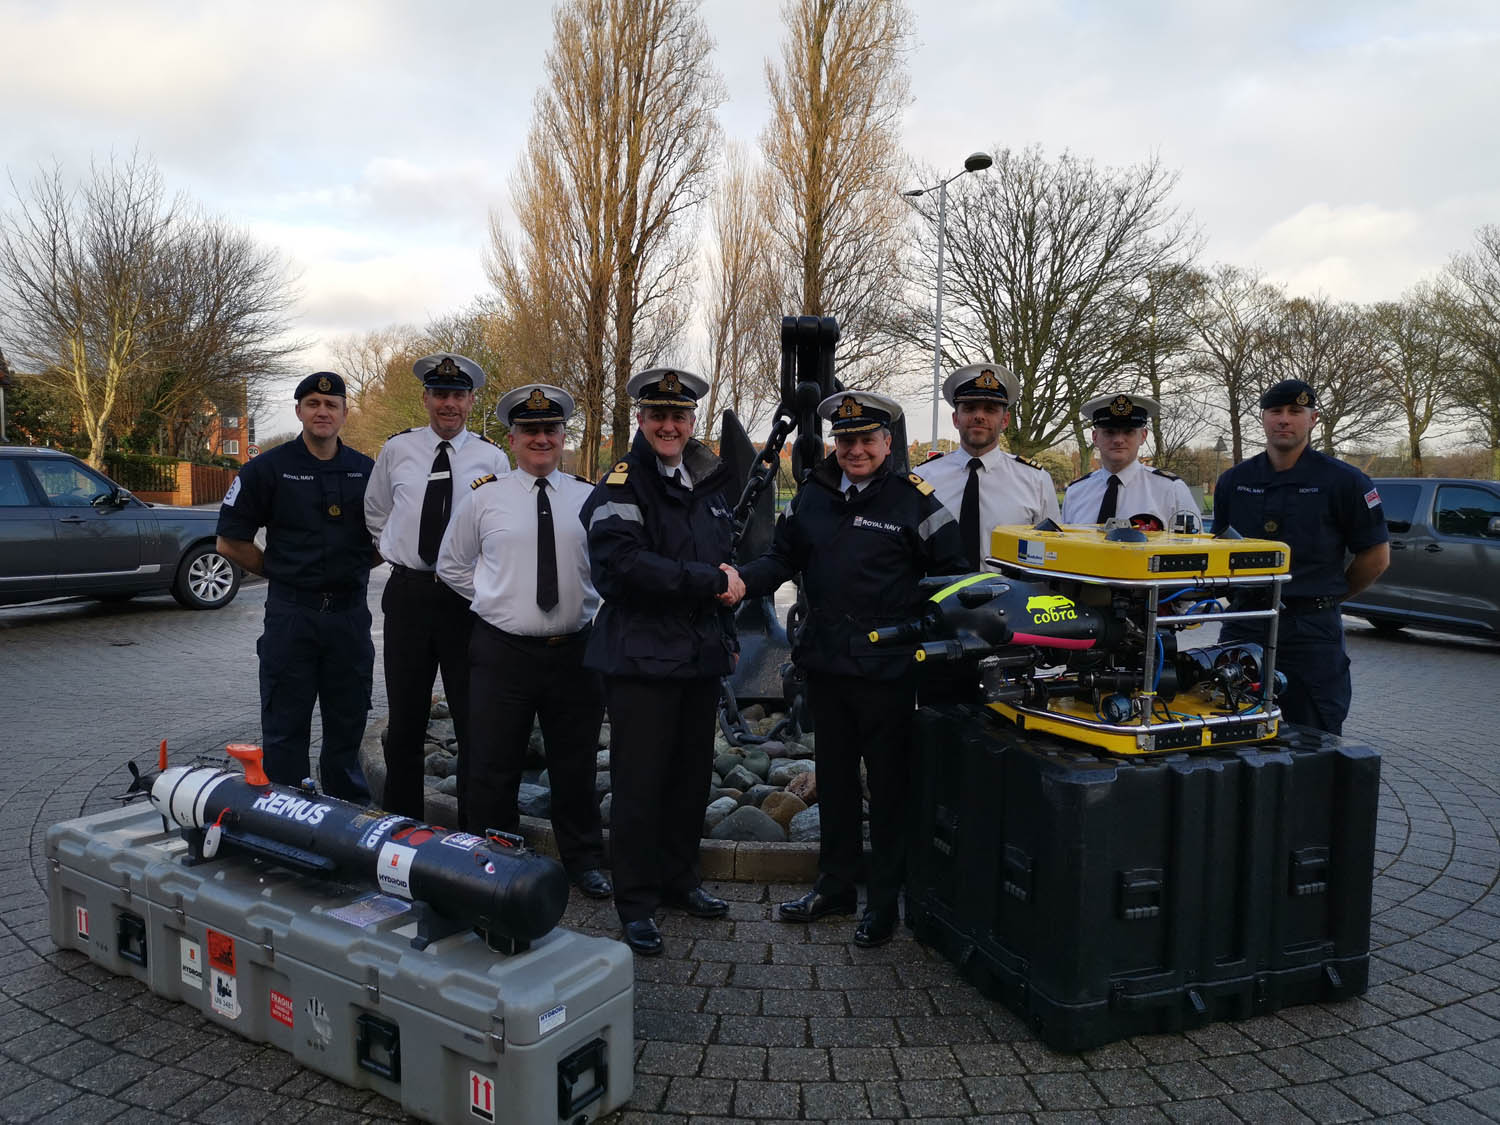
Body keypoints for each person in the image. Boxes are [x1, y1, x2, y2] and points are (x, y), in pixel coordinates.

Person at [727, 392, 968, 948]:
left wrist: (918, 627)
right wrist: (739, 581)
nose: (855, 450)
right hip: (827, 665)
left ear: (886, 442)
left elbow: (952, 576)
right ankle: (834, 887)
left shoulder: (914, 501)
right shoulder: (813, 494)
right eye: (845, 440)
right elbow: (781, 558)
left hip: (887, 672)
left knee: (887, 791)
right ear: (834, 443)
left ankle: (883, 904)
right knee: (834, 785)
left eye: (866, 440)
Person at [579, 367, 740, 956]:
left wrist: (726, 620)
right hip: (641, 658)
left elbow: (725, 562)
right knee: (640, 784)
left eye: (679, 416)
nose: (669, 426)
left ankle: (680, 880)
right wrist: (707, 581)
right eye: (658, 416)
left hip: (697, 657)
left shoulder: (706, 484)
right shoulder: (622, 484)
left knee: (690, 779)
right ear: (642, 421)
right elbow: (622, 566)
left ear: (692, 421)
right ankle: (637, 902)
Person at [437, 384, 612, 900]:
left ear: (563, 437)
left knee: (575, 763)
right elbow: (451, 564)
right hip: (502, 652)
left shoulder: (588, 497)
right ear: (512, 439)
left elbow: (608, 567)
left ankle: (583, 860)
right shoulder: (483, 496)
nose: (541, 438)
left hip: (575, 652)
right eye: (530, 430)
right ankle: (492, 861)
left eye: (550, 429)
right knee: (493, 765)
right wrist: (495, 600)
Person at [215, 372, 375, 801]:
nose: (323, 412)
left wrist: (355, 566)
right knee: (285, 727)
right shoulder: (267, 469)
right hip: (292, 616)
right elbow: (229, 541)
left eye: (331, 405)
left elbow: (390, 538)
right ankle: (286, 812)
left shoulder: (366, 471)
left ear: (344, 413)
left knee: (348, 723)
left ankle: (346, 814)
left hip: (349, 617)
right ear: (299, 411)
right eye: (313, 404)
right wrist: (281, 572)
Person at [364, 353, 509, 823]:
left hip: (465, 600)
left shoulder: (492, 457)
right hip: (408, 595)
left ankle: (473, 829)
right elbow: (376, 511)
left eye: (458, 396)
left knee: (472, 718)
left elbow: (499, 524)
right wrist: (397, 550)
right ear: (426, 398)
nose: (450, 404)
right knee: (406, 718)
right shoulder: (397, 450)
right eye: (441, 394)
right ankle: (400, 825)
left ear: (471, 402)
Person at [1212, 379, 1389, 735]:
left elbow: (1376, 557)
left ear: (1313, 419)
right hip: (1245, 622)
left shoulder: (1345, 482)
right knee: (1228, 725)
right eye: (1275, 411)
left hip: (1310, 630)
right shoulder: (1234, 481)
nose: (1284, 419)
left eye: (1295, 412)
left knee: (1315, 733)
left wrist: (1328, 597)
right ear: (1263, 418)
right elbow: (1218, 549)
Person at [914, 362, 1060, 570]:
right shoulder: (923, 478)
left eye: (990, 409)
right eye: (969, 408)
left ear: (1005, 420)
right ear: (956, 419)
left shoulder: (1036, 480)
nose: (979, 416)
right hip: (940, 589)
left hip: (1012, 590)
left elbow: (1051, 554)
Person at [1061, 393, 1198, 528]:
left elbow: (1194, 541)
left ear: (1143, 436)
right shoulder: (1076, 493)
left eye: (1128, 431)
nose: (1118, 440)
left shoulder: (1171, 490)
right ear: (1095, 438)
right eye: (1109, 432)